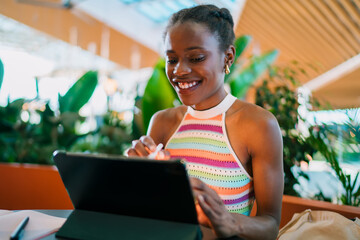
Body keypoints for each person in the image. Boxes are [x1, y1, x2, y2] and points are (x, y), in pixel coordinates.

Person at [127, 4, 283, 240]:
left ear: (227, 57)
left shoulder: (259, 125)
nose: (179, 71)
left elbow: (270, 225)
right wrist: (134, 175)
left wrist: (231, 222)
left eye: (196, 58)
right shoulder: (162, 122)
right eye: (171, 59)